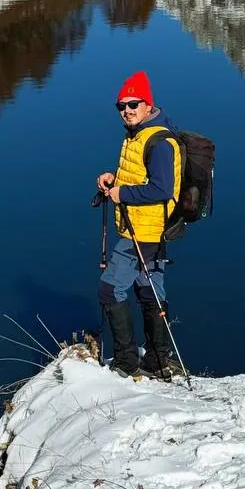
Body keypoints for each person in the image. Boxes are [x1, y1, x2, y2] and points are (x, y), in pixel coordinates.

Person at [96, 71, 182, 378]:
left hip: (143, 232)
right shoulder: (139, 133)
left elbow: (161, 189)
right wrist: (114, 181)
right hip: (147, 229)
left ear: (148, 104)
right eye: (122, 105)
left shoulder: (158, 142)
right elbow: (141, 178)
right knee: (150, 292)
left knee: (109, 290)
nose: (127, 110)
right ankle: (158, 361)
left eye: (134, 103)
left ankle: (125, 362)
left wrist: (121, 194)